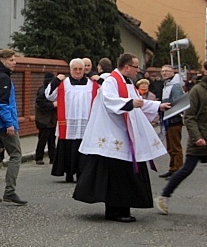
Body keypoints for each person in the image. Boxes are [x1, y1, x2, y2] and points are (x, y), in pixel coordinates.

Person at [74, 53, 170, 222]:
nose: (138, 71)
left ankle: (123, 208)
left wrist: (158, 106)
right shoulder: (112, 81)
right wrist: (130, 104)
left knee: (126, 174)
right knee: (115, 175)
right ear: (127, 67)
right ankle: (114, 211)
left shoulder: (128, 82)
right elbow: (110, 100)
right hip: (112, 135)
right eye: (136, 67)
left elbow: (138, 101)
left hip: (124, 134)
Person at [156, 59, 207, 215]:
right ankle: (164, 195)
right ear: (206, 72)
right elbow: (190, 116)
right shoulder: (197, 91)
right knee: (186, 169)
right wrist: (197, 137)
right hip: (200, 138)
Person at [45, 58, 99, 182]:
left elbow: (106, 92)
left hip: (86, 121)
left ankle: (82, 173)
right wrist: (56, 80)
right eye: (75, 69)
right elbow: (49, 95)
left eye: (80, 69)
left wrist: (99, 79)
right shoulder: (64, 83)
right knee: (68, 148)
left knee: (83, 148)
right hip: (69, 121)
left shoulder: (92, 84)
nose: (78, 71)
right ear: (70, 70)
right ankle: (68, 172)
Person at [0, 49, 28, 205]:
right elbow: (2, 103)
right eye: (11, 60)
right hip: (3, 125)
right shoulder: (3, 78)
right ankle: (10, 191)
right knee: (16, 155)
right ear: (3, 61)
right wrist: (9, 123)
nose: (14, 62)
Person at [159, 65, 185, 179]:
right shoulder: (166, 85)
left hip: (174, 119)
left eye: (167, 71)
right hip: (168, 118)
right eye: (163, 71)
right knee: (170, 146)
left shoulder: (175, 85)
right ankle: (172, 168)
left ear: (172, 72)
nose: (164, 73)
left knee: (175, 146)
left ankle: (177, 170)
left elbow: (178, 103)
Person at [34, 72, 57, 165]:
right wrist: (52, 105)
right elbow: (40, 104)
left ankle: (53, 158)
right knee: (43, 139)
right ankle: (39, 157)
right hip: (44, 119)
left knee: (51, 140)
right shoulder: (43, 90)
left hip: (51, 119)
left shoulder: (51, 90)